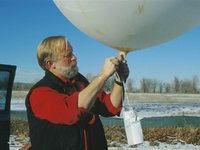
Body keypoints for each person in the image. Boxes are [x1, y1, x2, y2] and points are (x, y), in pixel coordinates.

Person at [25, 35, 129, 150]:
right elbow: (73, 111)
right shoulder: (40, 93)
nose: (74, 57)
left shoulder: (79, 81)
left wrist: (119, 80)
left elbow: (108, 106)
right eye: (68, 55)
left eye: (72, 53)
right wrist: (103, 75)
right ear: (50, 64)